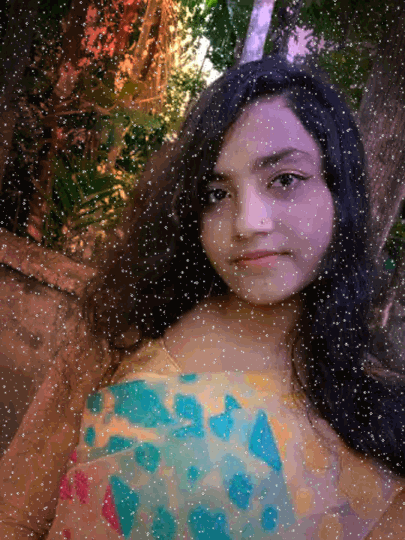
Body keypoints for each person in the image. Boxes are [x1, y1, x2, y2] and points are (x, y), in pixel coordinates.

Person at [0, 56, 404, 540]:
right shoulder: (128, 328)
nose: (248, 223)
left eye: (284, 180)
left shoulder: (380, 421)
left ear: (340, 191)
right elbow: (16, 514)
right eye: (217, 193)